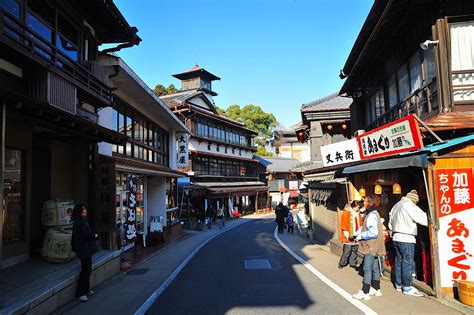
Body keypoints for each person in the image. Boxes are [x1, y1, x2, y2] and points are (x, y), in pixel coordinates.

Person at [388, 190, 427, 297]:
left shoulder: (396, 205)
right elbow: (424, 219)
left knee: (399, 260)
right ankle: (407, 286)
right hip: (406, 237)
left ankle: (399, 284)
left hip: (396, 237)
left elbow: (390, 223)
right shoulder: (409, 205)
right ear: (414, 200)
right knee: (407, 262)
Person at [352, 195, 386, 300]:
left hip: (371, 245)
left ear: (369, 203)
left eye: (365, 201)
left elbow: (373, 232)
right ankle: (376, 288)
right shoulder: (374, 213)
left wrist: (361, 235)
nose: (364, 203)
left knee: (367, 268)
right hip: (377, 245)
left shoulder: (371, 215)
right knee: (375, 267)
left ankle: (365, 292)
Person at [71, 204, 99, 302]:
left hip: (86, 249)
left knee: (88, 269)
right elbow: (84, 235)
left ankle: (86, 290)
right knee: (85, 270)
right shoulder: (79, 222)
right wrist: (94, 235)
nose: (85, 210)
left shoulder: (82, 220)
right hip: (83, 249)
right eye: (83, 209)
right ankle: (80, 293)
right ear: (79, 211)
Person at [338, 200, 363, 269]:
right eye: (357, 207)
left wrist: (358, 234)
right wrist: (348, 236)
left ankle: (353, 263)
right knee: (347, 251)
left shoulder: (358, 214)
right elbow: (344, 226)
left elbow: (361, 224)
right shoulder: (346, 213)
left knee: (355, 250)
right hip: (348, 235)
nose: (358, 209)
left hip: (356, 234)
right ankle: (342, 263)